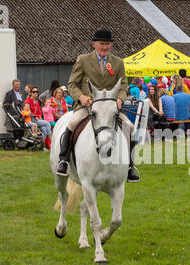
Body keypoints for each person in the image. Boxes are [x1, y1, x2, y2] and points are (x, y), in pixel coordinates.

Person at [58, 29, 139, 182]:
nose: (105, 47)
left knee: (131, 129)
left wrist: (120, 100)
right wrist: (81, 97)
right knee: (72, 123)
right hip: (87, 105)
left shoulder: (118, 62)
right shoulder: (82, 60)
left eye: (108, 44)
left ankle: (129, 166)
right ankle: (63, 160)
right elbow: (72, 84)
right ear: (94, 44)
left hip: (110, 107)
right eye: (102, 44)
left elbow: (123, 87)